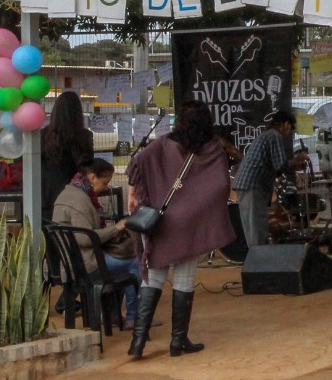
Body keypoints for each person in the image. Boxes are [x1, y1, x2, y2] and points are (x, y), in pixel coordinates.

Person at [125, 99, 232, 357]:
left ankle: (138, 342)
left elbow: (137, 163)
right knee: (184, 278)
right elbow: (220, 186)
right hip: (190, 224)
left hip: (162, 221)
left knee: (154, 275)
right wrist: (197, 207)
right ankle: (178, 342)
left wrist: (133, 193)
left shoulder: (163, 143)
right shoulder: (212, 149)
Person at [51, 159, 140, 326]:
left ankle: (114, 314)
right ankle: (133, 318)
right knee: (134, 263)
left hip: (71, 264)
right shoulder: (81, 202)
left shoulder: (68, 192)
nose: (106, 187)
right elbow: (85, 239)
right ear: (92, 178)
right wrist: (117, 228)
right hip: (85, 266)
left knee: (123, 263)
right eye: (105, 182)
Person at [232, 110, 308, 249]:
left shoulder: (268, 135)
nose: (291, 132)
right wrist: (299, 158)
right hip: (253, 186)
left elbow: (276, 167)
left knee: (255, 227)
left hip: (250, 185)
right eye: (291, 128)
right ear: (285, 125)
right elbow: (281, 165)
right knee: (257, 230)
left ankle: (257, 260)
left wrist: (295, 165)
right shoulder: (275, 136)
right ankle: (258, 263)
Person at [40, 91, 93, 224]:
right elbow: (88, 164)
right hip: (74, 194)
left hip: (47, 194)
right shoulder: (84, 136)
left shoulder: (43, 135)